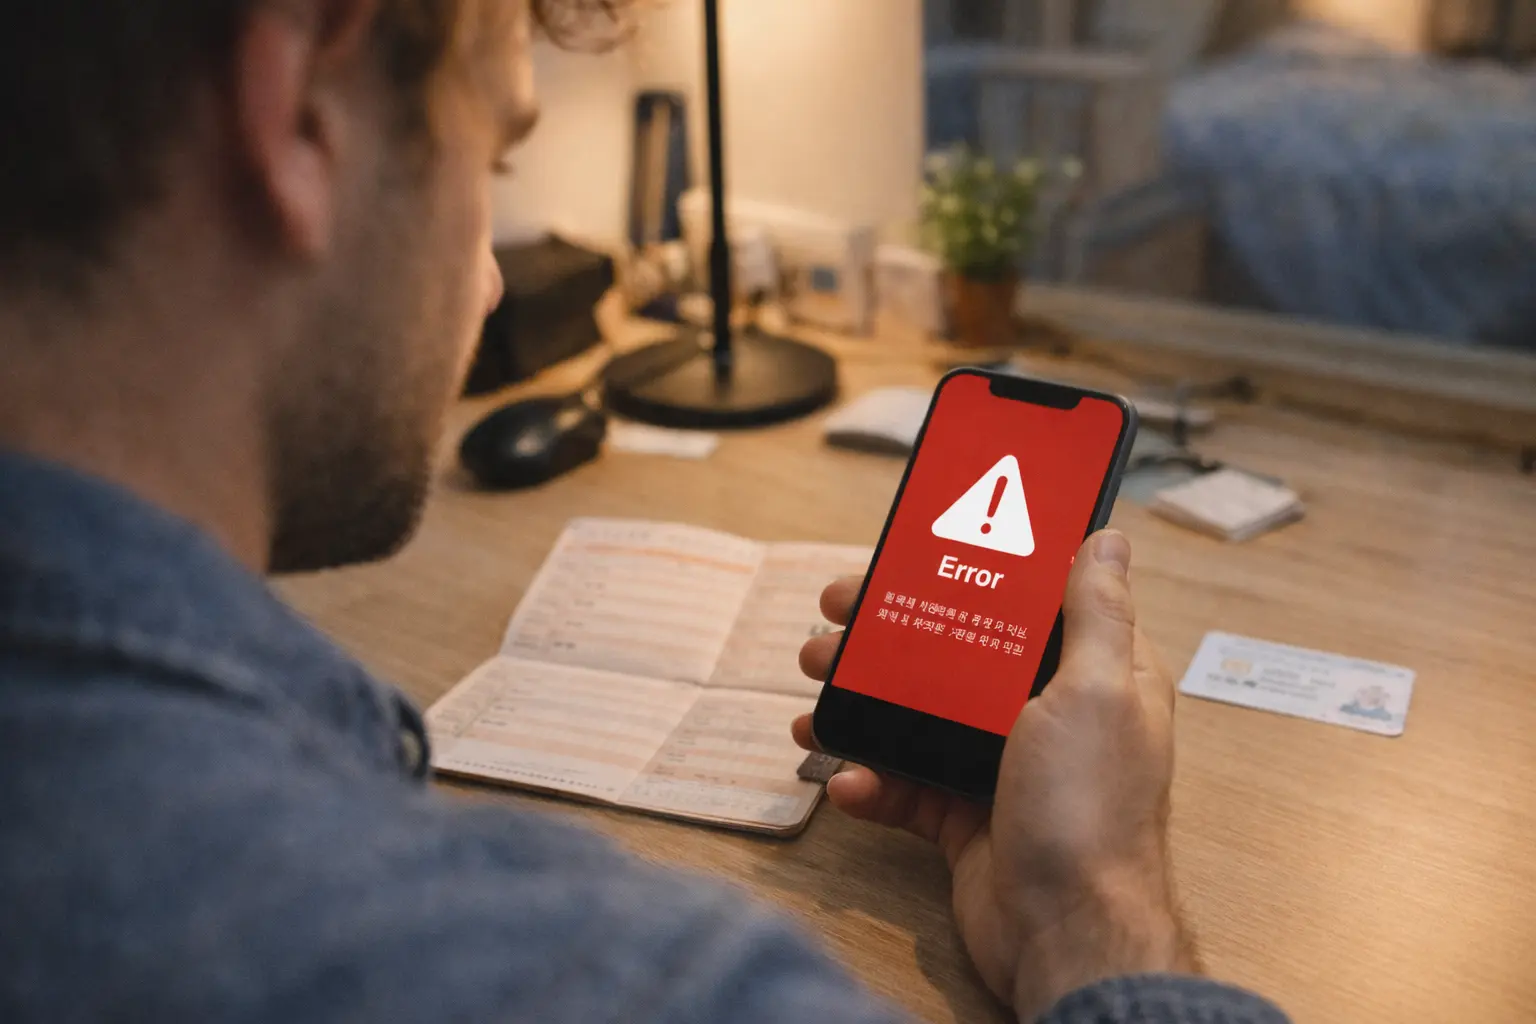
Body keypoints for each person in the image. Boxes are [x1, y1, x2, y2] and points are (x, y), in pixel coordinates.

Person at [0, 1, 1289, 1021]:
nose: (497, 281)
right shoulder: (628, 985)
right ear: (298, 113)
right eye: (495, 157)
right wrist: (1102, 915)